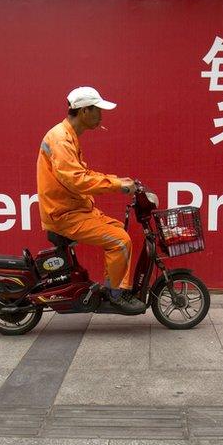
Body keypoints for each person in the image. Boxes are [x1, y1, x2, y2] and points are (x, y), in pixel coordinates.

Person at [36, 86, 147, 314]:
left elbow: (81, 174)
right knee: (119, 241)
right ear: (84, 111)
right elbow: (77, 180)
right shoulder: (61, 139)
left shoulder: (68, 136)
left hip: (75, 209)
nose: (101, 116)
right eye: (97, 110)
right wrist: (117, 186)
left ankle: (116, 288)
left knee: (118, 230)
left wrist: (117, 180)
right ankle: (115, 295)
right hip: (64, 215)